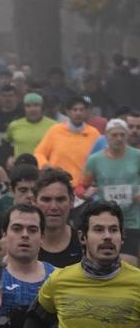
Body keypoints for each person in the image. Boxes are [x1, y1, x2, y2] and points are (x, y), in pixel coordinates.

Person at [0, 204, 55, 328]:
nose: (25, 235)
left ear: (42, 237)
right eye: (17, 228)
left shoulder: (59, 278)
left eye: (32, 230)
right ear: (4, 234)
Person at [82, 117, 140, 263]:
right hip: (105, 219)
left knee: (130, 262)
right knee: (106, 261)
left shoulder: (137, 156)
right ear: (106, 136)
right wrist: (85, 193)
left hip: (132, 220)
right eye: (114, 135)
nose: (118, 138)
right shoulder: (94, 160)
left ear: (127, 136)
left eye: (122, 135)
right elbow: (82, 186)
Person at [34, 95, 101, 179]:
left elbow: (102, 158)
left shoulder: (94, 133)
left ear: (86, 112)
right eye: (75, 110)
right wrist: (45, 165)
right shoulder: (55, 130)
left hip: (84, 186)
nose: (78, 113)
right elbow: (39, 153)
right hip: (58, 183)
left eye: (81, 110)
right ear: (68, 112)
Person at [34, 167, 83, 267]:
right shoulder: (23, 244)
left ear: (72, 201)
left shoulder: (85, 245)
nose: (54, 207)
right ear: (34, 202)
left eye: (60, 199)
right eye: (46, 200)